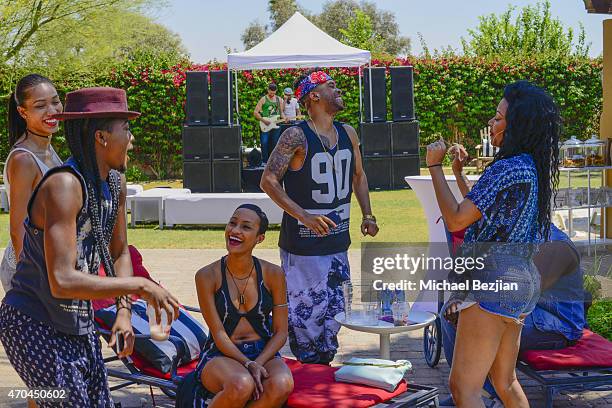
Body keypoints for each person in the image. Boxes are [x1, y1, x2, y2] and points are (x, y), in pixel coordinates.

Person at [0, 87, 180, 407]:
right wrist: (141, 284)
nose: (132, 138)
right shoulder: (64, 185)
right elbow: (62, 279)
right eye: (126, 129)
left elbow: (119, 252)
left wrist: (124, 311)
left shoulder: (114, 183)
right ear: (101, 137)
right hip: (34, 324)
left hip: (77, 325)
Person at [425, 80, 560, 408]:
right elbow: (488, 208)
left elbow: (457, 219)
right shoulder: (530, 167)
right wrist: (458, 175)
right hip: (522, 282)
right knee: (505, 381)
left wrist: (434, 166)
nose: (492, 123)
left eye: (498, 118)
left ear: (517, 125)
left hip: (493, 282)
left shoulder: (506, 167)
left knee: (463, 388)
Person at [260, 69, 379, 364]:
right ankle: (308, 381)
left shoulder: (348, 132)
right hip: (303, 249)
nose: (338, 89)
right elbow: (268, 181)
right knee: (306, 322)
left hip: (338, 244)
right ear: (313, 95)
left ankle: (322, 376)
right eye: (331, 85)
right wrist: (305, 216)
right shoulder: (296, 135)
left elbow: (359, 176)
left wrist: (368, 213)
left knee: (336, 316)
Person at [439, 224, 585, 407]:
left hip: (557, 325)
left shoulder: (556, 245)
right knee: (454, 311)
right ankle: (473, 390)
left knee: (474, 319)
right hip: (531, 312)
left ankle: (484, 394)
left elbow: (524, 294)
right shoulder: (524, 238)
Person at [193, 204, 293, 408]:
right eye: (232, 223)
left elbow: (281, 332)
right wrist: (247, 363)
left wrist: (258, 362)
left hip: (264, 351)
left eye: (246, 227)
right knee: (241, 384)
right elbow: (218, 333)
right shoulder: (207, 276)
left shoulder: (273, 274)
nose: (235, 230)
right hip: (221, 353)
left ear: (260, 238)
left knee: (282, 384)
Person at [0, 74, 63, 292]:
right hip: (31, 270)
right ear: (22, 112)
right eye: (40, 106)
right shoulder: (24, 160)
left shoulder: (46, 146)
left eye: (55, 101)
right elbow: (18, 230)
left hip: (51, 263)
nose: (52, 111)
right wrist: (32, 285)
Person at [254, 83, 285, 164]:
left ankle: (273, 161)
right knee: (264, 143)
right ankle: (265, 161)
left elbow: (281, 112)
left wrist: (284, 118)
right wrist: (263, 120)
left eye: (274, 93)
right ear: (268, 90)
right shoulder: (263, 99)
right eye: (271, 93)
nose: (272, 94)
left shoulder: (279, 99)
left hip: (276, 124)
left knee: (275, 143)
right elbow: (255, 112)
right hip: (265, 124)